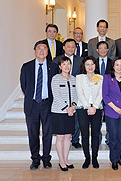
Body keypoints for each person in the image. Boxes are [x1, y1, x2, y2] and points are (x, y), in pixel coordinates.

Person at [20, 40, 59, 170]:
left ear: (47, 52)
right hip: (32, 105)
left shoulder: (53, 67)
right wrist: (33, 98)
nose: (42, 51)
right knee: (33, 133)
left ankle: (46, 159)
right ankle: (35, 159)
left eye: (44, 49)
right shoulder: (26, 66)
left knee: (48, 133)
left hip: (47, 104)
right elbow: (24, 86)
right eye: (39, 48)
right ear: (35, 51)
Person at [53, 38, 83, 149]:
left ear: (76, 48)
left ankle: (75, 139)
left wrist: (74, 104)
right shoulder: (56, 60)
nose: (71, 48)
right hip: (61, 99)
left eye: (73, 46)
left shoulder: (80, 60)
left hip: (75, 93)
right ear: (64, 47)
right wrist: (65, 106)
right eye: (68, 46)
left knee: (76, 120)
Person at [102, 57, 121, 170]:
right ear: (113, 66)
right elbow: (105, 95)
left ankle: (119, 158)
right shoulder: (107, 78)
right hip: (111, 112)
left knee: (120, 137)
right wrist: (115, 108)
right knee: (113, 137)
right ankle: (113, 159)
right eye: (117, 65)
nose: (119, 67)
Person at [76, 56, 103, 169]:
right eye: (87, 64)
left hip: (97, 109)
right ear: (84, 66)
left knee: (96, 134)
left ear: (95, 66)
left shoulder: (100, 77)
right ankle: (87, 158)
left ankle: (95, 158)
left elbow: (101, 93)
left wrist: (94, 106)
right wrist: (88, 106)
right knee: (85, 135)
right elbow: (79, 92)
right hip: (82, 109)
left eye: (92, 64)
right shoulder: (79, 77)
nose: (90, 66)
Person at [51, 56, 77, 171]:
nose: (67, 66)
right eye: (64, 64)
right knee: (60, 137)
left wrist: (73, 106)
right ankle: (61, 161)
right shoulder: (56, 78)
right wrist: (67, 108)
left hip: (71, 112)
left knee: (68, 136)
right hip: (59, 112)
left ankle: (66, 159)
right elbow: (56, 95)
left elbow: (76, 94)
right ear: (60, 66)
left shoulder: (74, 79)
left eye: (69, 64)